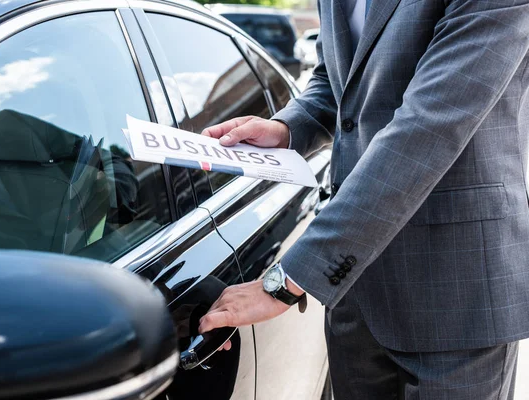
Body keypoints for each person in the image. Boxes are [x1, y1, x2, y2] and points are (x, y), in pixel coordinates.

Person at [199, 0, 529, 398]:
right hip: (356, 294)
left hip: (456, 292)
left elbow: (429, 126)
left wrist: (285, 281)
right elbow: (337, 80)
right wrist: (286, 128)